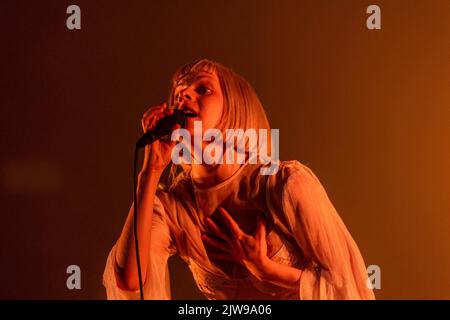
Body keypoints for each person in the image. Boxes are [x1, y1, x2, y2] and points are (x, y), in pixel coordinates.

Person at [102, 59, 375, 300]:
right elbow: (129, 281)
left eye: (202, 89)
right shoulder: (174, 206)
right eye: (178, 94)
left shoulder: (283, 186)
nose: (183, 95)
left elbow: (348, 288)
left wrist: (267, 270)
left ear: (235, 106)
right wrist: (150, 172)